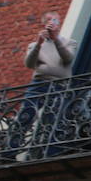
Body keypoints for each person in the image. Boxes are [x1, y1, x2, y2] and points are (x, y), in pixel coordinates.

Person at [17, 12, 78, 156]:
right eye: (49, 20)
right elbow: (29, 64)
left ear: (59, 23)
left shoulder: (70, 42)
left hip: (60, 85)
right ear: (45, 24)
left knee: (53, 118)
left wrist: (56, 39)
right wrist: (38, 43)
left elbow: (68, 58)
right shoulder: (35, 44)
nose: (52, 23)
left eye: (55, 20)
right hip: (39, 83)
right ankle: (10, 150)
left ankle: (50, 152)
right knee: (26, 114)